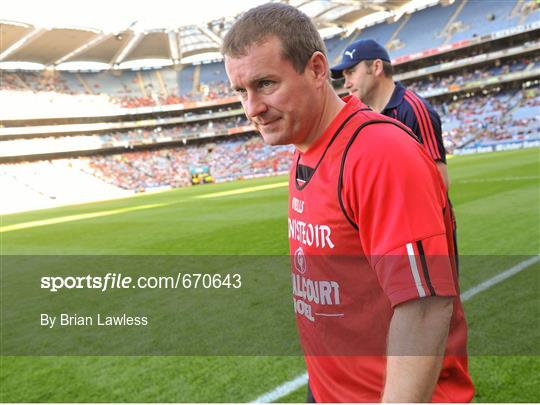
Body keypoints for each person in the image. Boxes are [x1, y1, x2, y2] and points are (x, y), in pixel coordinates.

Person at [223, 3, 473, 402]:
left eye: (266, 84)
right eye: (241, 91)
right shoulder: (305, 147)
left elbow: (424, 308)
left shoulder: (380, 153)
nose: (252, 108)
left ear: (318, 70)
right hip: (328, 391)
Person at [330, 39, 450, 189]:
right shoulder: (360, 117)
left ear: (377, 67)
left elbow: (439, 182)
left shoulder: (414, 110)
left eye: (351, 73)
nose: (346, 84)